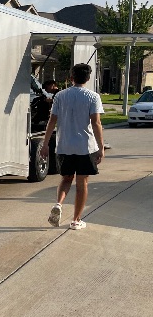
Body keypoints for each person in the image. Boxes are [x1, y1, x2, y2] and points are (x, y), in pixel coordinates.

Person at [40, 63, 104, 230]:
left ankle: (59, 204)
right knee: (82, 182)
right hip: (85, 147)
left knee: (66, 178)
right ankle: (76, 220)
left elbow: (52, 121)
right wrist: (101, 147)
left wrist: (45, 144)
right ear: (88, 78)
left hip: (64, 146)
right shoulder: (93, 97)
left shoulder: (60, 96)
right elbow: (96, 123)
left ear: (71, 78)